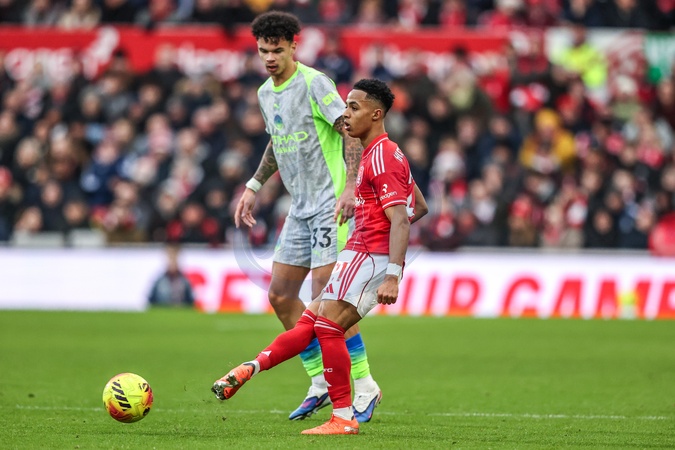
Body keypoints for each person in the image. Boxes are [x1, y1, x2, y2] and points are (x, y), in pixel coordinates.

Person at [213, 78, 429, 435]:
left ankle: (343, 417)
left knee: (328, 327)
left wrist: (391, 272)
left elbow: (404, 218)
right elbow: (418, 205)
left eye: (354, 107)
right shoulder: (380, 154)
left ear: (376, 114)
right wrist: (380, 224)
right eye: (346, 106)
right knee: (309, 322)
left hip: (369, 257)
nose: (346, 114)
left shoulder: (382, 156)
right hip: (359, 253)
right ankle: (250, 367)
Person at [231, 11, 381, 422]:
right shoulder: (265, 93)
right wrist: (254, 185)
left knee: (329, 304)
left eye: (277, 50)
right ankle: (319, 380)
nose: (269, 58)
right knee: (280, 296)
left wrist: (351, 186)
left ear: (293, 46)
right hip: (299, 208)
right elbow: (277, 142)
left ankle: (365, 384)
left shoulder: (315, 83)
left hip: (332, 205)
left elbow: (350, 130)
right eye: (263, 51)